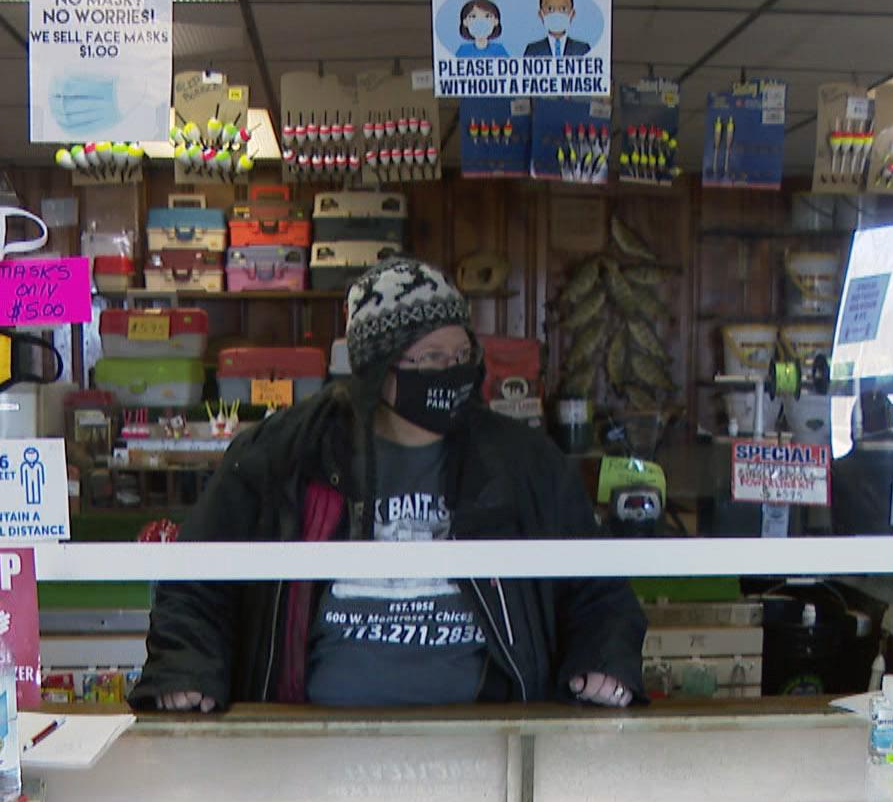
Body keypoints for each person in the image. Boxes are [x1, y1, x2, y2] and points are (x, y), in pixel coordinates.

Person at [131, 258, 645, 712]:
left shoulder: (524, 462)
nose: (451, 372)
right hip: (308, 743)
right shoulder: (282, 453)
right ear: (375, 368)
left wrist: (603, 659)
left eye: (461, 355)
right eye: (428, 359)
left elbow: (597, 585)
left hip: (491, 739)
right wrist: (186, 669)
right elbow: (194, 582)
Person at [523, 0, 589, 57]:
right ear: (541, 14)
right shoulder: (532, 51)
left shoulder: (583, 49)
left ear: (572, 14)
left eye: (563, 9)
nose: (557, 14)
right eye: (550, 9)